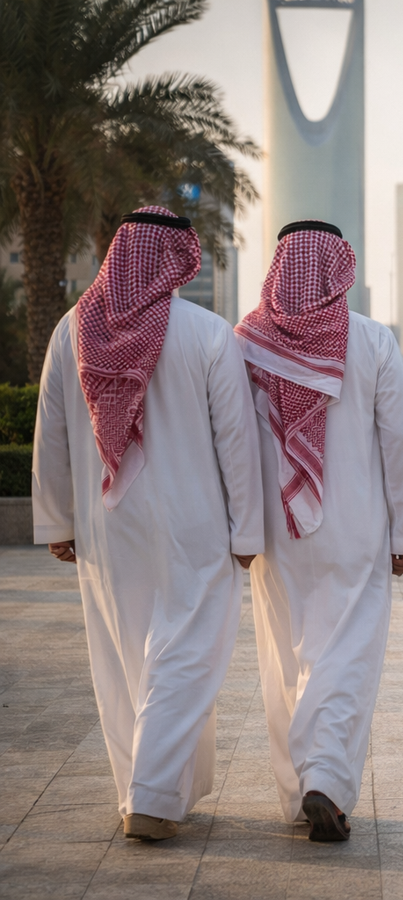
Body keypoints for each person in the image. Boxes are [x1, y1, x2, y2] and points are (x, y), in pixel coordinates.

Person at [31, 207, 265, 841]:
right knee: (186, 652)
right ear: (178, 258)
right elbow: (236, 446)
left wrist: (57, 519)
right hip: (193, 525)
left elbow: (49, 436)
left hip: (106, 528)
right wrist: (248, 533)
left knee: (124, 658)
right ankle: (154, 797)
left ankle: (147, 787)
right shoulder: (207, 332)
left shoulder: (70, 330)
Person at [236, 220, 403, 842]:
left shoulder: (244, 342)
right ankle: (325, 779)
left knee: (288, 655)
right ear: (339, 265)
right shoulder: (371, 339)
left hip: (275, 531)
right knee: (345, 657)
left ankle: (303, 792)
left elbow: (230, 443)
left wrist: (238, 528)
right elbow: (401, 442)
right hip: (356, 530)